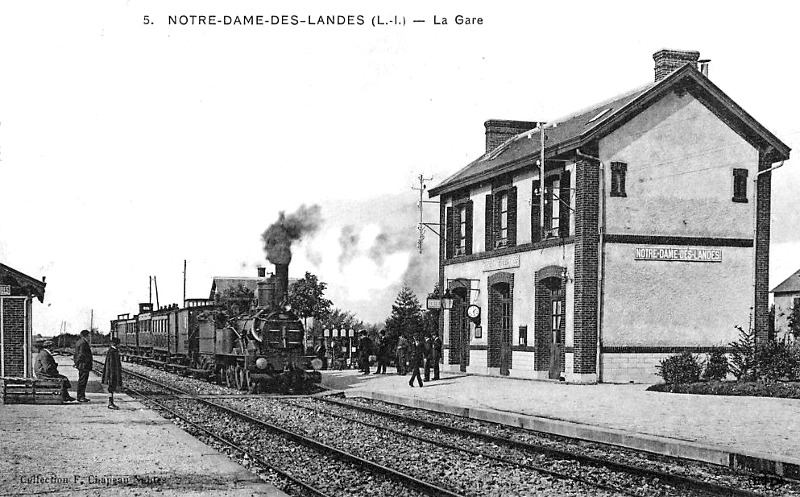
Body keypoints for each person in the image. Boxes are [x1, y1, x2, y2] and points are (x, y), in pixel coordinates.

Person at [102, 337, 123, 409]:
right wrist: (112, 375)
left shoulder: (113, 350)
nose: (119, 345)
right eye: (118, 344)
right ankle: (110, 403)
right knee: (111, 388)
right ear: (115, 344)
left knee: (112, 388)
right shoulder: (112, 351)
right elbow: (111, 364)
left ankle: (111, 402)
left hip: (113, 372)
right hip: (112, 373)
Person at [73, 329, 93, 402]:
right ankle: (80, 397)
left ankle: (81, 396)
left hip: (82, 365)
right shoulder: (83, 343)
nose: (89, 337)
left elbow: (75, 354)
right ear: (86, 335)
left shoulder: (79, 342)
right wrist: (78, 362)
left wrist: (76, 363)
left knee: (82, 380)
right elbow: (81, 354)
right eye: (89, 335)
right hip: (84, 365)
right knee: (82, 381)